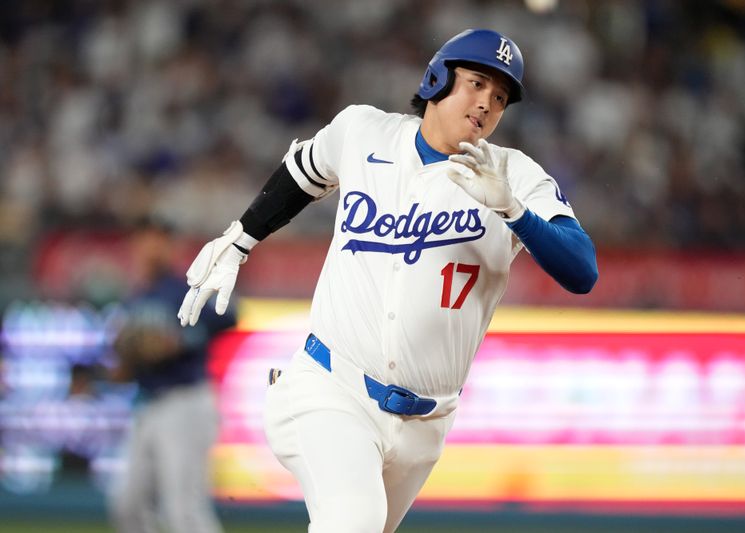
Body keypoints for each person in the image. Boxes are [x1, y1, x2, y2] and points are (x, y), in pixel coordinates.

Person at [178, 29, 598, 533]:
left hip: (427, 423)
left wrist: (515, 211)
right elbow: (301, 172)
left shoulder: (513, 176)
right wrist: (242, 237)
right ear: (437, 79)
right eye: (476, 83)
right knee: (353, 521)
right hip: (332, 387)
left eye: (500, 96)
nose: (487, 102)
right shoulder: (364, 132)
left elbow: (582, 271)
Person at [110, 220, 234, 533]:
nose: (151, 249)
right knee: (128, 504)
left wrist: (180, 340)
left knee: (183, 510)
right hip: (148, 405)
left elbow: (230, 315)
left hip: (185, 402)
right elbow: (123, 368)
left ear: (171, 248)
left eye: (159, 241)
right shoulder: (134, 298)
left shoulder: (185, 288)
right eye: (145, 241)